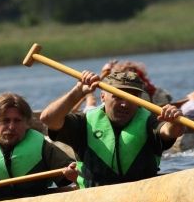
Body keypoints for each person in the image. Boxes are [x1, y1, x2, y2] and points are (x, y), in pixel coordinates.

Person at [40, 70, 184, 188]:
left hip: (142, 196)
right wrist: (77, 92)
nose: (124, 104)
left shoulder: (149, 120)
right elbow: (48, 119)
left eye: (132, 97)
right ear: (103, 97)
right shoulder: (84, 123)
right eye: (118, 97)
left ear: (140, 98)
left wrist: (174, 122)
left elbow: (169, 132)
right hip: (94, 201)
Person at [84, 59, 173, 110]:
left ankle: (88, 95)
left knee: (91, 102)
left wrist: (104, 73)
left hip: (146, 112)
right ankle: (88, 95)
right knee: (91, 101)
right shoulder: (156, 90)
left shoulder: (150, 93)